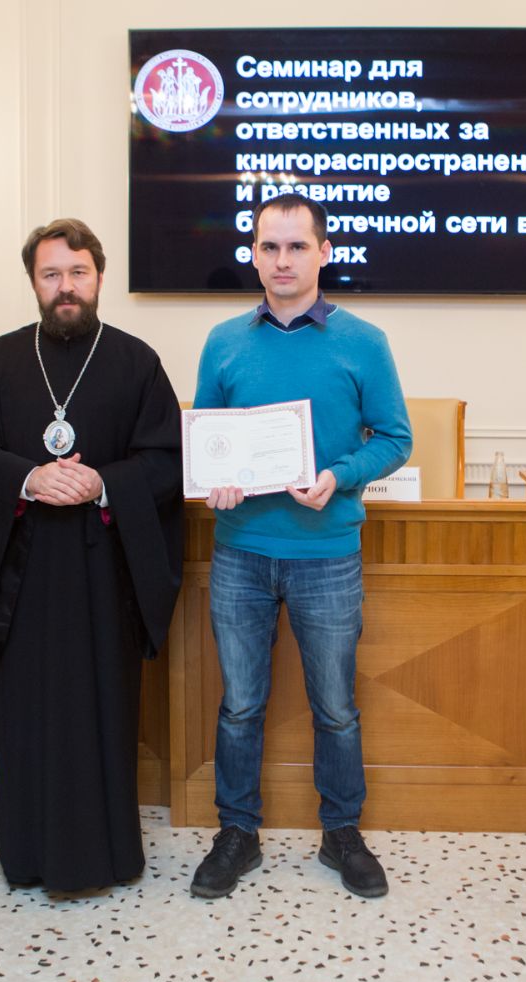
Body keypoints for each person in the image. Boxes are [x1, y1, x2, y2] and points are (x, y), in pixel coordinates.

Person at [0, 218, 183, 892]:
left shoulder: (136, 362)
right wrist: (29, 478)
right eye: (51, 274)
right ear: (34, 282)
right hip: (21, 576)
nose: (66, 287)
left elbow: (167, 460)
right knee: (25, 711)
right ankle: (25, 853)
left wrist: (103, 483)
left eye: (78, 272)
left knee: (101, 710)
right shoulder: (0, 360)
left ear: (99, 277)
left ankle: (107, 854)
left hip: (103, 573)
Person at [190, 194, 412, 900]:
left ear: (323, 253)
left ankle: (341, 832)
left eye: (296, 246)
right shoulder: (223, 341)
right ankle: (237, 834)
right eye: (269, 247)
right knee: (240, 706)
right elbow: (207, 444)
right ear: (253, 255)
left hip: (327, 556)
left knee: (336, 708)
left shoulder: (364, 341)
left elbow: (396, 438)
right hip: (240, 554)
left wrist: (338, 476)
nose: (281, 260)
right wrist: (216, 482)